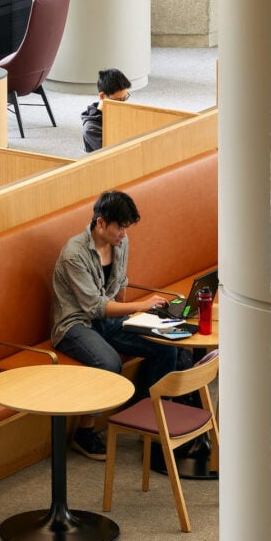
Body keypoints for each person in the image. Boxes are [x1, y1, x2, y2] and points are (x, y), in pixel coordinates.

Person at [51, 190, 178, 460]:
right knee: (109, 363)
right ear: (101, 223)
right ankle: (85, 433)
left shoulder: (121, 242)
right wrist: (139, 307)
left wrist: (132, 321)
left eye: (126, 227)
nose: (123, 233)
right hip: (75, 325)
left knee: (166, 347)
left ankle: (147, 417)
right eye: (120, 227)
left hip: (109, 319)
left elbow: (119, 285)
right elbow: (94, 306)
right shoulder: (74, 254)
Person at [80, 68, 132, 153]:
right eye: (118, 100)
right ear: (102, 96)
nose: (123, 104)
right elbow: (113, 154)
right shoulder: (91, 129)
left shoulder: (120, 112)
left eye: (125, 98)